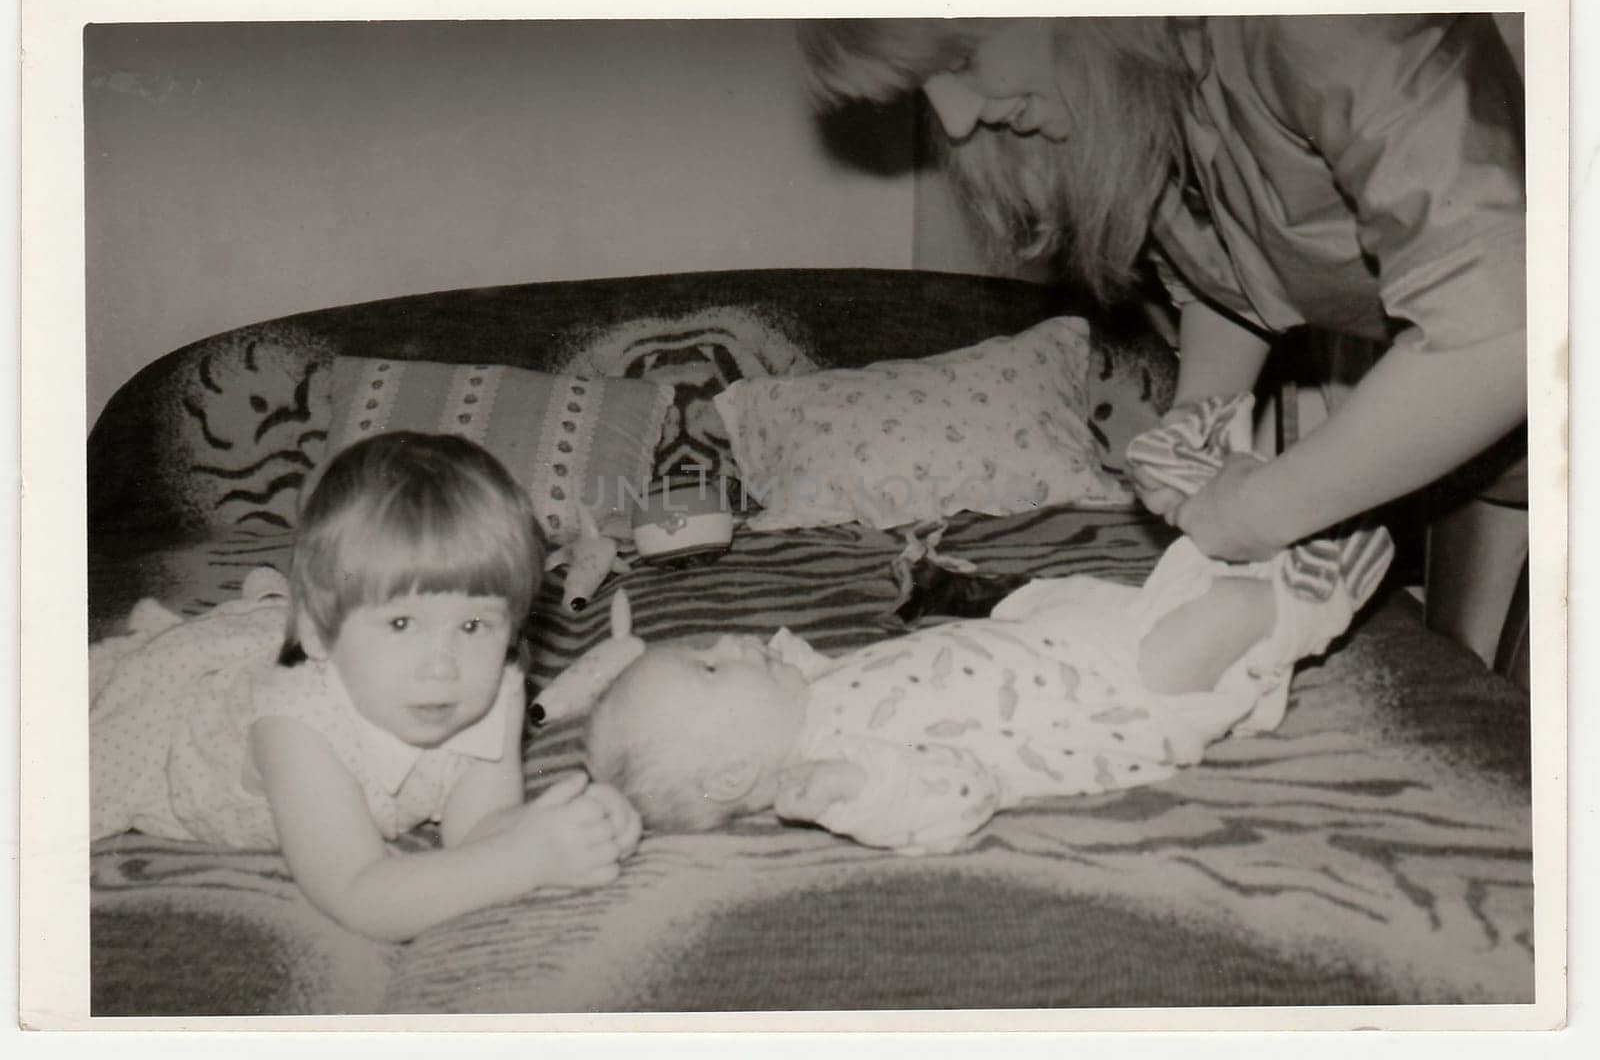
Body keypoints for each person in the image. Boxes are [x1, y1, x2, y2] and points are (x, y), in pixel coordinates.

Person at [799, 15, 1526, 568]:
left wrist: (1259, 512)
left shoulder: (1316, 8)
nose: (956, 120)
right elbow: (1231, 281)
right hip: (1480, 430)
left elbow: (1510, 325)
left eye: (961, 59)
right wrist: (1197, 416)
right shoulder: (1148, 95)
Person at [91, 432, 641, 942]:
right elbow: (357, 891)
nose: (443, 667)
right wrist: (525, 860)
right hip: (179, 723)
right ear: (317, 634)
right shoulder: (293, 726)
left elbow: (478, 827)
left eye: (474, 625)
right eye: (402, 624)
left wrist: (571, 824)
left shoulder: (492, 687)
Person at [581, 519, 1393, 854]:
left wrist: (775, 657)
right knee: (1202, 631)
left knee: (1151, 588)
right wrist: (850, 788)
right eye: (712, 666)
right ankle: (1304, 605)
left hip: (1059, 645)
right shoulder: (846, 772)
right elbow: (954, 798)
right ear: (733, 775)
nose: (727, 640)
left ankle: (1255, 545)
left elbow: (831, 675)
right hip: (1116, 707)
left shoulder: (810, 699)